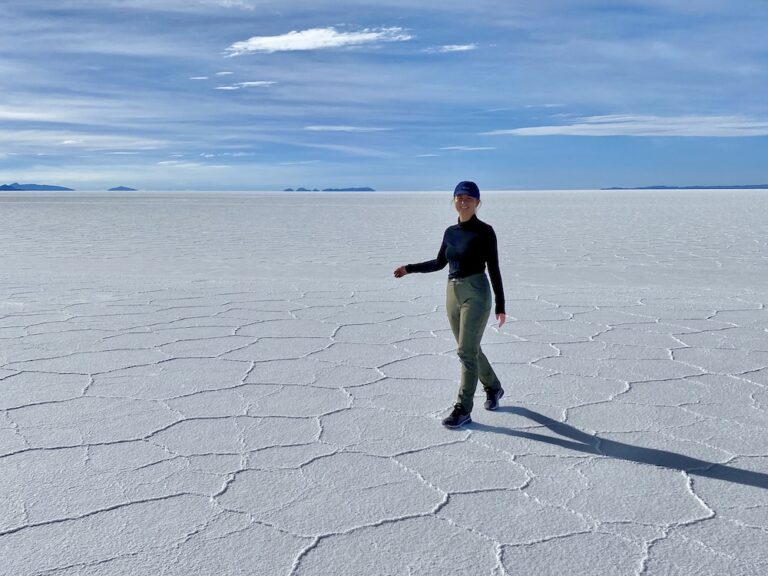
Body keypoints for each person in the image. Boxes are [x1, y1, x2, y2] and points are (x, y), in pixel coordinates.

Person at [394, 181, 506, 428]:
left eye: (468, 198)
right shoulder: (450, 232)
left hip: (477, 291)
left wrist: (500, 305)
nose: (463, 201)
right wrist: (409, 268)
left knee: (465, 352)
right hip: (452, 291)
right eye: (459, 197)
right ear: (453, 201)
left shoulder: (485, 232)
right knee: (470, 349)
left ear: (478, 202)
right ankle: (494, 387)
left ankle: (463, 409)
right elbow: (438, 263)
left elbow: (494, 269)